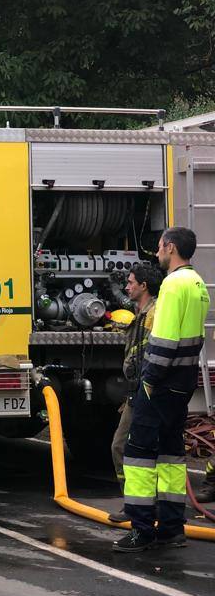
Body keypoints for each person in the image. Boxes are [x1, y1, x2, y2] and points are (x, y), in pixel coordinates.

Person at [115, 226, 209, 552]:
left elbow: (165, 341)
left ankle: (141, 529)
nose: (157, 253)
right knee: (171, 457)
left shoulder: (172, 284)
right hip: (183, 384)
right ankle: (171, 528)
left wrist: (149, 380)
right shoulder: (199, 284)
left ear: (170, 247)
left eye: (159, 247)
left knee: (138, 455)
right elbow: (193, 340)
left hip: (161, 384)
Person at [108, 263, 161, 523]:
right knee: (130, 447)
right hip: (137, 390)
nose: (127, 287)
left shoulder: (153, 314)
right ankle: (141, 503)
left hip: (146, 390)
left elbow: (150, 353)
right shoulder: (140, 312)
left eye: (131, 283)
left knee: (123, 446)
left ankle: (137, 504)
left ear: (144, 286)